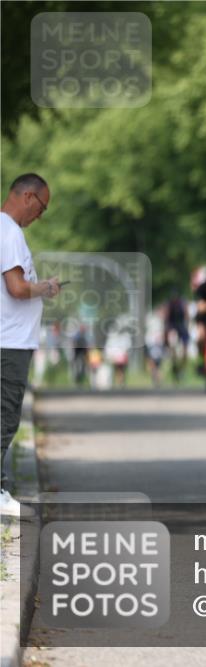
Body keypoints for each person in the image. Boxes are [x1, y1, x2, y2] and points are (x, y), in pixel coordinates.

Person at [1, 173, 60, 516]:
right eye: (42, 208)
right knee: (5, 417)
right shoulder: (9, 232)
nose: (40, 216)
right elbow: (17, 288)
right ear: (27, 196)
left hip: (8, 339)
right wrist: (45, 287)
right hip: (9, 343)